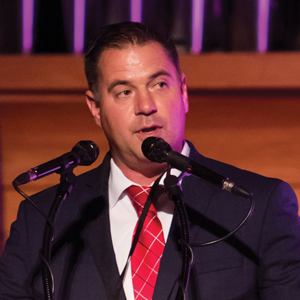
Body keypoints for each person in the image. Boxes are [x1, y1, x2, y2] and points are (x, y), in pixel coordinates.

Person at [0, 21, 300, 300]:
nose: (146, 106)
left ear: (182, 91)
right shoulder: (40, 218)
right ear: (95, 108)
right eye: (124, 91)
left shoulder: (258, 204)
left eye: (159, 85)